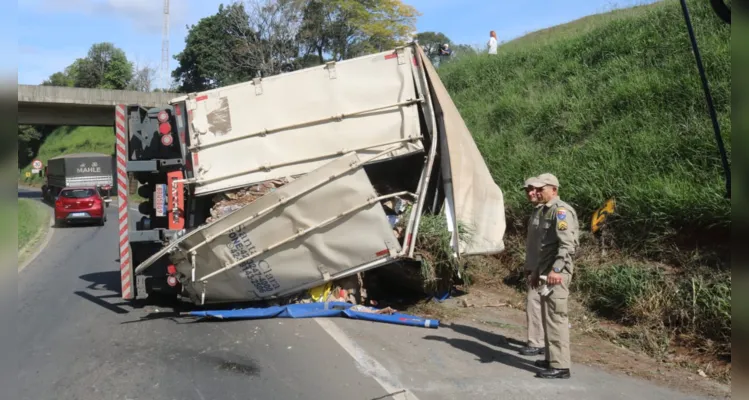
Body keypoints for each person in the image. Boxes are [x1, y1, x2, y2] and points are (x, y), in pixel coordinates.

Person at [532, 173, 579, 379]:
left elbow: (567, 245)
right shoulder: (546, 211)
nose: (538, 192)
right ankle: (551, 358)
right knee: (548, 317)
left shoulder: (561, 211)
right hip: (546, 272)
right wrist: (537, 271)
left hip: (556, 274)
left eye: (542, 189)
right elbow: (544, 248)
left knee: (557, 318)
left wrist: (556, 270)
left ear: (554, 190)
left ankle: (561, 366)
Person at [519, 176, 545, 357]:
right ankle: (542, 342)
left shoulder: (548, 212)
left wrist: (538, 269)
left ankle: (536, 342)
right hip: (535, 266)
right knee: (538, 304)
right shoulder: (537, 211)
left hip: (543, 268)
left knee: (534, 303)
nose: (531, 193)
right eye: (528, 190)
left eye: (535, 189)